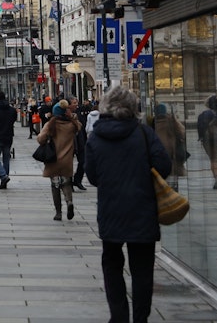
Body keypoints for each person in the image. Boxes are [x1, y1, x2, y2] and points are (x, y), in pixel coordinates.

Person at [85, 86, 172, 323]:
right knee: (142, 270)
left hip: (111, 210)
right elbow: (164, 166)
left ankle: (119, 316)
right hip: (142, 209)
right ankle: (140, 318)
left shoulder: (95, 137)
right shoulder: (144, 133)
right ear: (133, 107)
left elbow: (92, 177)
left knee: (112, 265)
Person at [37, 100, 81, 221]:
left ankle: (58, 212)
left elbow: (40, 139)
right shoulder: (71, 125)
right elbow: (79, 126)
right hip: (67, 158)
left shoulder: (51, 124)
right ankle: (69, 202)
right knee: (66, 182)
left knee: (55, 184)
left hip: (53, 158)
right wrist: (71, 116)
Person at [150, 103, 187, 190]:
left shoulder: (152, 122)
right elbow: (182, 132)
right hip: (171, 153)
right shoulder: (171, 120)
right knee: (172, 176)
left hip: (158, 153)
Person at [197, 95, 217, 189]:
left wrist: (200, 137)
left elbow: (200, 127)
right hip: (216, 139)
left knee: (212, 159)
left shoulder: (203, 114)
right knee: (215, 159)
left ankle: (216, 179)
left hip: (206, 139)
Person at [68, 96, 88, 191]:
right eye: (74, 103)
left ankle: (77, 180)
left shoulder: (79, 112)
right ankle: (68, 183)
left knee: (83, 161)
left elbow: (83, 126)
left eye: (77, 102)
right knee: (68, 164)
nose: (76, 104)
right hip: (69, 141)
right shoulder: (65, 114)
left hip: (80, 140)